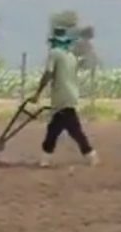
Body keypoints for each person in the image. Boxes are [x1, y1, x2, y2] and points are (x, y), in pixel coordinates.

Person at [28, 27, 98, 168]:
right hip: (71, 95)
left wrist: (37, 93)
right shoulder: (71, 56)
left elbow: (48, 73)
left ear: (54, 41)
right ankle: (89, 155)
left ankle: (89, 155)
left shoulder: (54, 54)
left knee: (64, 129)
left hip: (62, 97)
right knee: (63, 128)